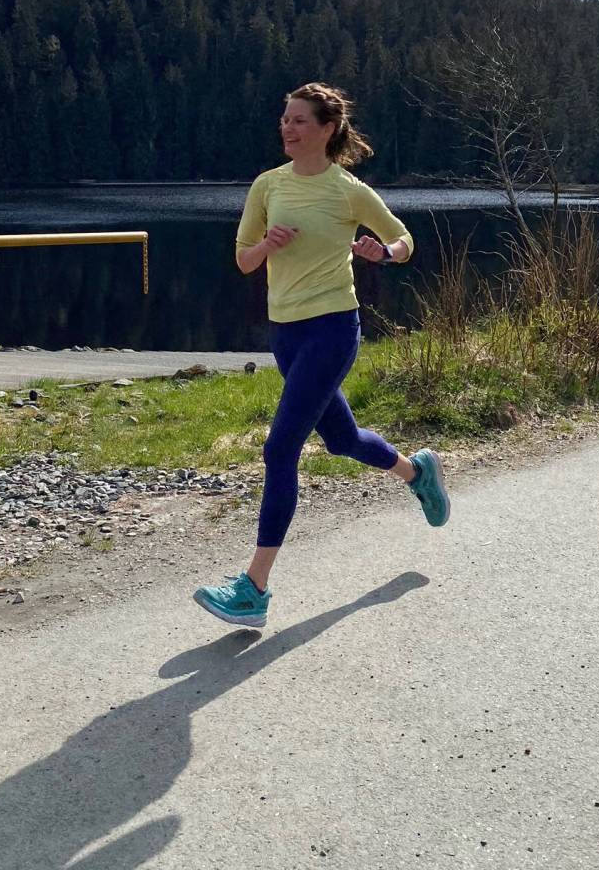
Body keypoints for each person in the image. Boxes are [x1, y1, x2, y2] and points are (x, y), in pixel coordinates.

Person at [193, 82, 450, 628]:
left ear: (327, 129)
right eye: (284, 119)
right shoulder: (267, 186)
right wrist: (267, 247)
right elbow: (243, 260)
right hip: (285, 332)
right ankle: (417, 471)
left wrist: (384, 253)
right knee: (341, 440)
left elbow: (404, 239)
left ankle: (254, 588)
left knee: (280, 448)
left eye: (299, 121)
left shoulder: (348, 191)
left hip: (333, 328)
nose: (287, 128)